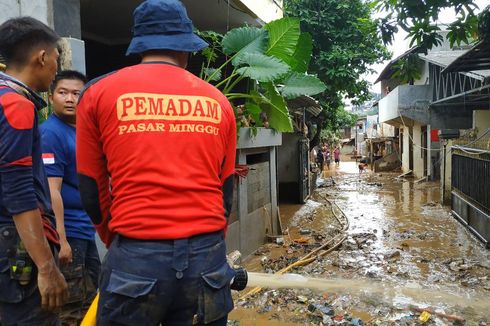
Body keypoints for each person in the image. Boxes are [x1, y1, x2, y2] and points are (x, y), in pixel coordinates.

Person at [76, 1, 237, 325]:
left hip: (136, 256)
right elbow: (226, 190)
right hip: (207, 259)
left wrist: (119, 240)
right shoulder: (218, 102)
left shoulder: (98, 94)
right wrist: (208, 247)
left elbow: (91, 189)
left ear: (140, 46)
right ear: (186, 49)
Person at [0, 16, 68, 325]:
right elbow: (19, 191)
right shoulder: (16, 106)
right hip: (15, 249)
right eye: (56, 57)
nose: (57, 67)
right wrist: (46, 267)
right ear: (42, 57)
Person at [40, 70, 100, 323]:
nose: (69, 99)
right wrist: (61, 239)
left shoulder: (80, 131)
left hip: (84, 229)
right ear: (51, 96)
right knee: (71, 305)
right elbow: (52, 189)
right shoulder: (51, 133)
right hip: (69, 233)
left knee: (90, 296)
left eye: (77, 93)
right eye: (62, 92)